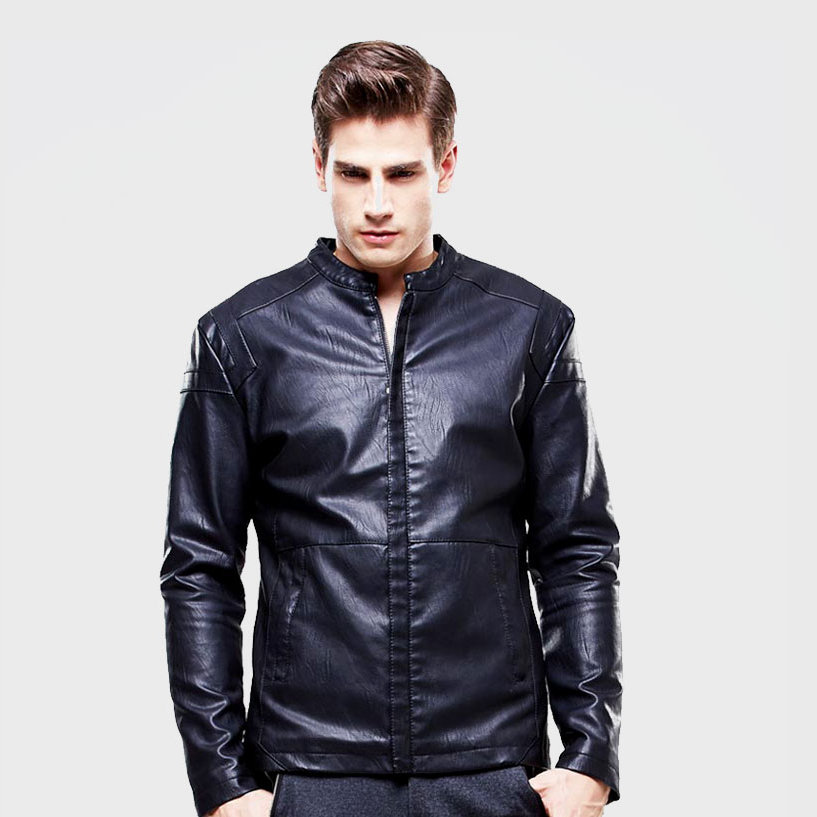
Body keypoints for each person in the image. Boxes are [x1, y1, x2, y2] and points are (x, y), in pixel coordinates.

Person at [160, 40, 623, 817]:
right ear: (319, 166)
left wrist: (591, 755)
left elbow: (577, 548)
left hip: (488, 769)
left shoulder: (529, 328)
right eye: (355, 173)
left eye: (402, 173)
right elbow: (199, 565)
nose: (377, 203)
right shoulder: (243, 337)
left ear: (446, 165)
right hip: (309, 770)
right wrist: (221, 781)